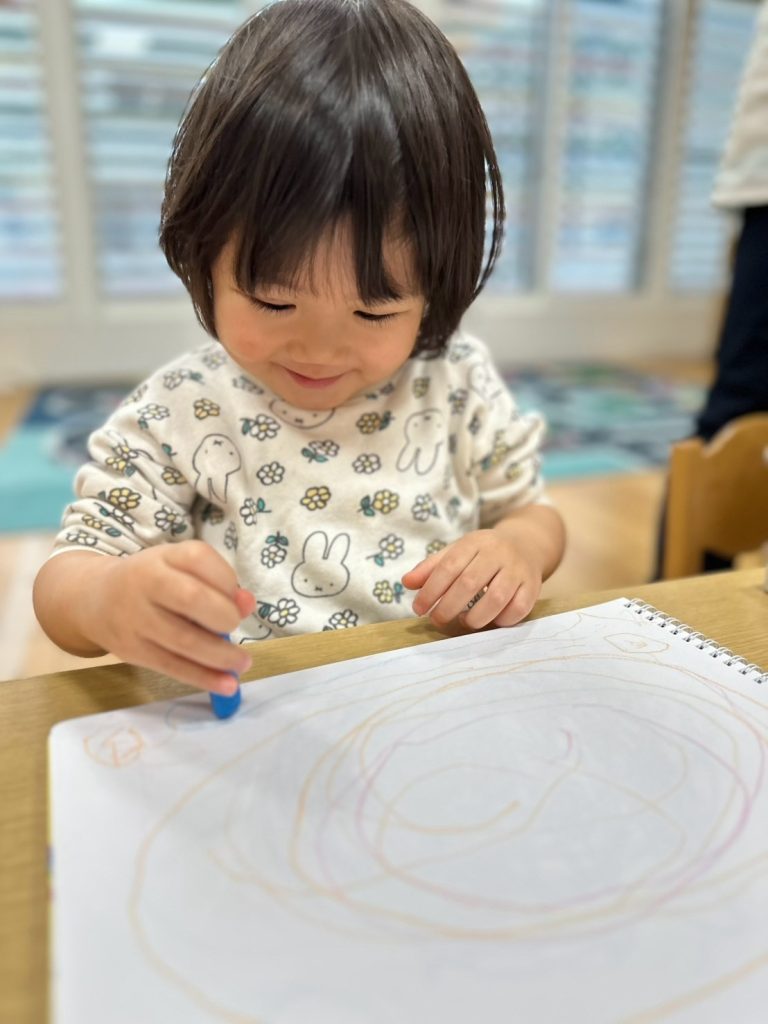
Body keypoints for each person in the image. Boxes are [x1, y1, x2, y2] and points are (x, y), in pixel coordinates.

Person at [33, 0, 565, 697]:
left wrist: (518, 548)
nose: (319, 348)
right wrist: (106, 599)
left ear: (436, 288)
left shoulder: (455, 384)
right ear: (202, 254)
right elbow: (67, 577)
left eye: (374, 311)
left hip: (433, 705)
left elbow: (532, 513)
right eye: (274, 302)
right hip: (258, 721)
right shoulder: (186, 410)